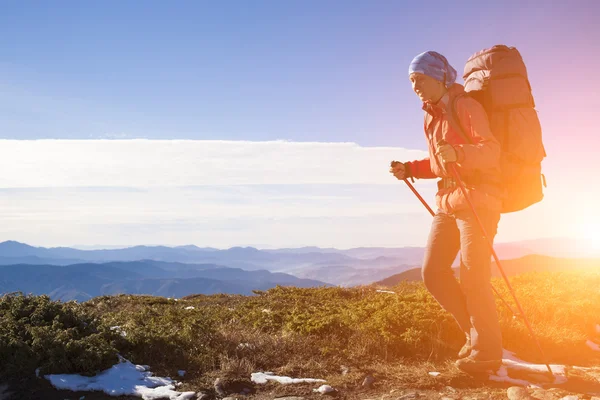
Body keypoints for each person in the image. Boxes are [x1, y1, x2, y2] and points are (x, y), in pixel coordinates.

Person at [390, 51, 503, 373]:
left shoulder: (466, 106)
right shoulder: (430, 115)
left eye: (420, 79)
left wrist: (460, 153)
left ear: (440, 77)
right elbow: (442, 163)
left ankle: (488, 352)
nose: (415, 87)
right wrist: (410, 168)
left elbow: (491, 151)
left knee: (473, 277)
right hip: (448, 203)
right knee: (433, 273)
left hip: (478, 201)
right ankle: (474, 333)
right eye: (411, 81)